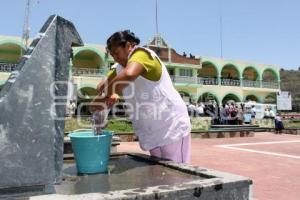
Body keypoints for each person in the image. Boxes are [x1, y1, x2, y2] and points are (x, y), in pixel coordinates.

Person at [90, 30, 191, 163]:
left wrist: (108, 94)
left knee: (178, 173)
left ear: (129, 46)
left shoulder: (141, 54)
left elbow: (129, 74)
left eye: (117, 53)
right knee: (160, 171)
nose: (115, 58)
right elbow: (101, 86)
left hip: (171, 123)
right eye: (112, 55)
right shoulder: (120, 67)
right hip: (151, 127)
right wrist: (99, 102)